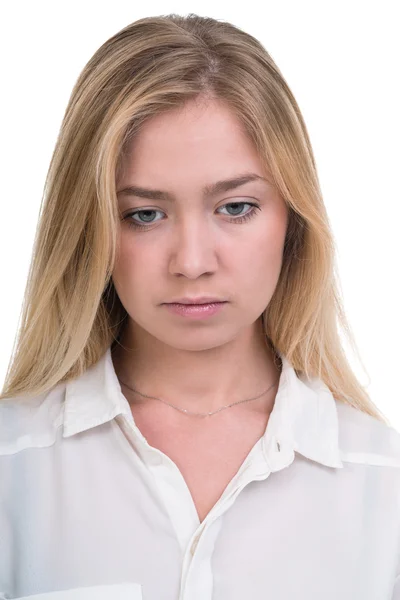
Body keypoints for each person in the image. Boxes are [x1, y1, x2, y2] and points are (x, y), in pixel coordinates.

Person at [0, 13, 399, 600]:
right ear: (88, 228)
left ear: (293, 219)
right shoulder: (13, 469)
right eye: (144, 214)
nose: (191, 262)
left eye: (235, 208)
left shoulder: (382, 485)